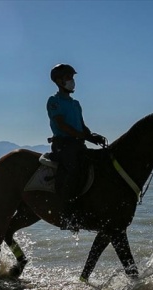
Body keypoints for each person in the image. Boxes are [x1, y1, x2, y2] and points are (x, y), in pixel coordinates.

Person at [46, 64, 106, 227]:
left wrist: (92, 136)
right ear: (58, 81)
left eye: (72, 78)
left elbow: (82, 126)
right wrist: (81, 135)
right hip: (63, 146)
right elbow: (62, 125)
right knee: (73, 169)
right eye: (68, 78)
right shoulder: (54, 101)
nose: (72, 81)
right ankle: (67, 212)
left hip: (78, 145)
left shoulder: (75, 104)